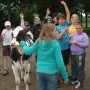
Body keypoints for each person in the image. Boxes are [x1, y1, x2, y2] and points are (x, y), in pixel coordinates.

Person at [20, 23, 69, 90]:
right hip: (51, 73)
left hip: (40, 72)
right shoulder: (55, 43)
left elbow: (28, 51)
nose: (56, 32)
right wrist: (65, 76)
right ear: (50, 32)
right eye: (55, 30)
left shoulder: (39, 41)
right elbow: (60, 63)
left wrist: (23, 44)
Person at [70, 23, 89, 89]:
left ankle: (81, 82)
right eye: (77, 28)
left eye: (79, 28)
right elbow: (70, 41)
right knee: (75, 67)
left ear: (82, 29)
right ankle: (78, 80)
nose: (78, 29)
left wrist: (77, 43)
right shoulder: (74, 34)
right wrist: (70, 42)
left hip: (80, 54)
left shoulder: (84, 35)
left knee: (80, 68)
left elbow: (86, 45)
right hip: (73, 54)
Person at [56, 0, 70, 70]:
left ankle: (65, 73)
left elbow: (68, 13)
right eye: (60, 19)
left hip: (67, 48)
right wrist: (63, 31)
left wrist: (64, 4)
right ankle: (60, 75)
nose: (62, 20)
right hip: (60, 49)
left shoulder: (66, 24)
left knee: (66, 62)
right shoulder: (56, 28)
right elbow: (58, 37)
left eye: (63, 19)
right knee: (60, 63)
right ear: (58, 20)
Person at [68, 14, 79, 81]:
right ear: (71, 20)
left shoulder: (79, 27)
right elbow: (67, 36)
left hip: (77, 47)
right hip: (70, 46)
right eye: (74, 19)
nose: (75, 20)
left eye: (76, 19)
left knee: (77, 62)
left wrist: (71, 36)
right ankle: (73, 74)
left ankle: (76, 75)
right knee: (72, 61)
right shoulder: (69, 27)